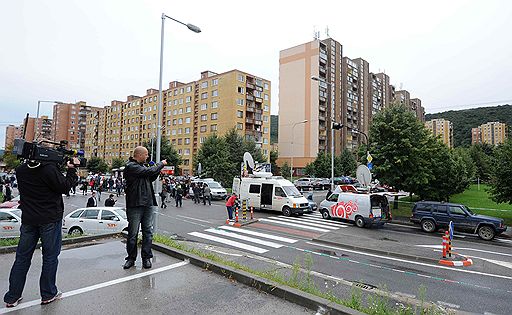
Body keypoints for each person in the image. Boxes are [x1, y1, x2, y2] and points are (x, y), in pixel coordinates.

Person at [4, 156, 78, 307]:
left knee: (22, 258)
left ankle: (12, 296)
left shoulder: (21, 169)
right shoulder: (49, 169)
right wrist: (71, 169)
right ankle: (48, 293)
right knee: (50, 257)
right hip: (49, 218)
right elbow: (65, 186)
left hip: (29, 219)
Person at [123, 146, 166, 270]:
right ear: (139, 155)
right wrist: (160, 164)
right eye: (146, 154)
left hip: (148, 203)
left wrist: (156, 170)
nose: (147, 157)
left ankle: (146, 258)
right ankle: (131, 258)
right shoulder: (131, 166)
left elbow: (150, 176)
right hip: (135, 204)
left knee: (148, 232)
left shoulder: (142, 167)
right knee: (133, 233)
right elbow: (148, 172)